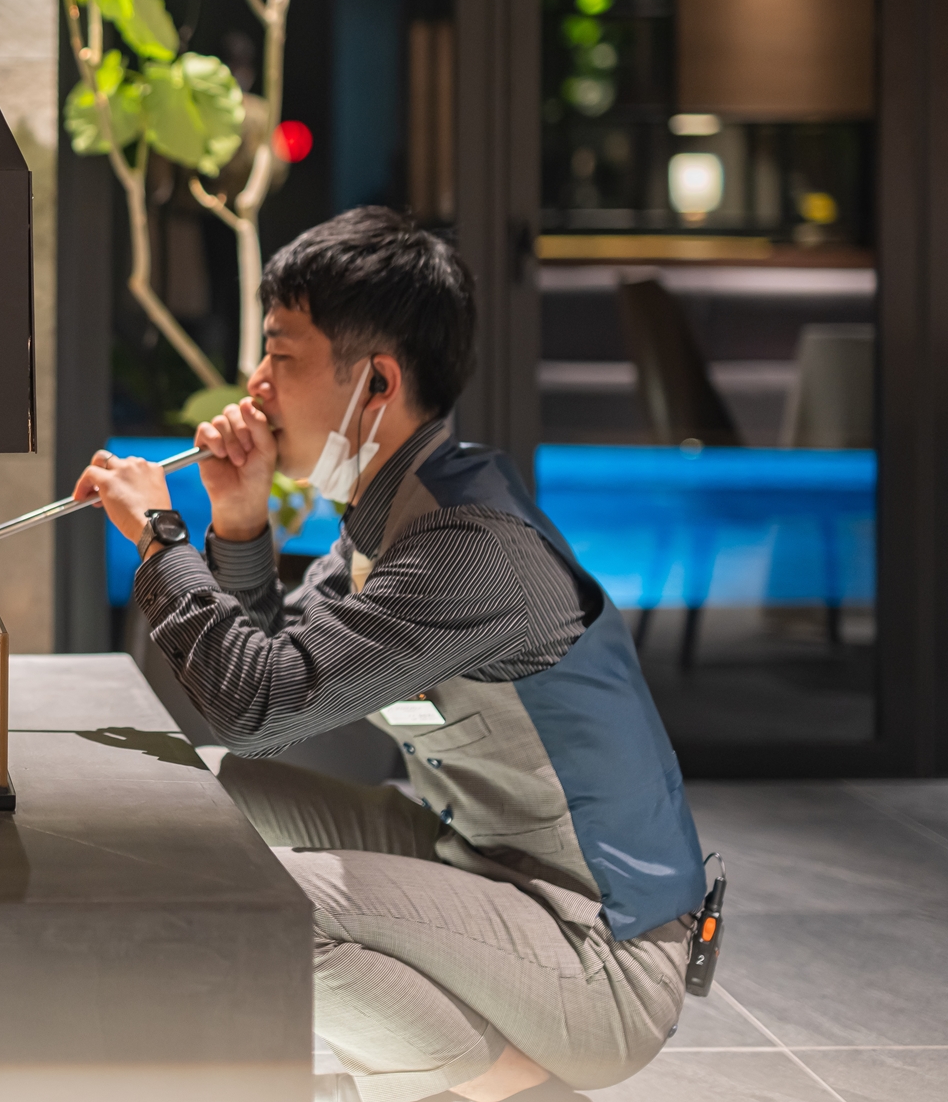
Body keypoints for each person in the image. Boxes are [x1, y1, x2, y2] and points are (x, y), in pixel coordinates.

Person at [75, 208, 706, 1102]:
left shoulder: (468, 546)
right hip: (481, 861)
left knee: (265, 910)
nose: (256, 385)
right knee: (199, 795)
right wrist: (240, 522)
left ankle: (514, 1090)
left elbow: (260, 703)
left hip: (602, 956)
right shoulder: (396, 513)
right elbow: (271, 681)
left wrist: (160, 538)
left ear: (376, 381)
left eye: (281, 355)